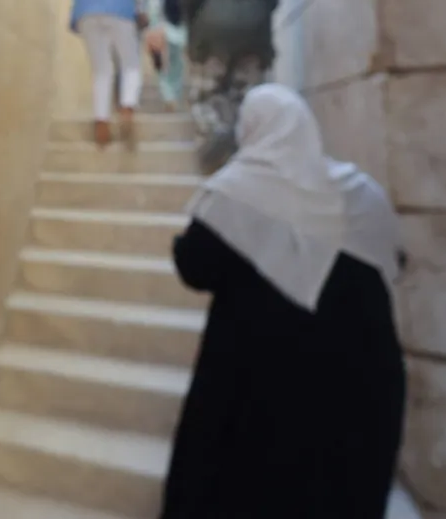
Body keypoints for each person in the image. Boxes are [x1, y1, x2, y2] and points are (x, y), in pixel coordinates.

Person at [160, 84, 405, 519]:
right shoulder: (361, 192)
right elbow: (391, 260)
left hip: (258, 379)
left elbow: (195, 266)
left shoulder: (236, 192)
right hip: (356, 378)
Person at [181, 0, 279, 171]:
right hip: (253, 41)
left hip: (212, 40)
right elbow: (273, 2)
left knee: (205, 95)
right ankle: (245, 150)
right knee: (247, 97)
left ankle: (216, 133)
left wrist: (193, 36)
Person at [65, 0, 141, 146]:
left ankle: (101, 124)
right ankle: (127, 108)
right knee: (130, 63)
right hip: (118, 6)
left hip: (86, 10)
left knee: (101, 70)